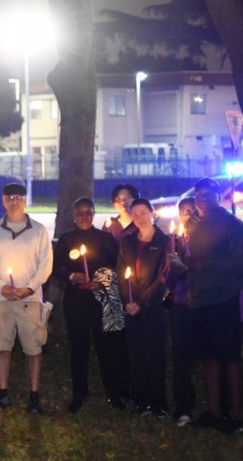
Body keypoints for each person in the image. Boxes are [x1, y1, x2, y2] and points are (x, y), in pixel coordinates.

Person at [0, 183, 52, 414]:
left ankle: (34, 396)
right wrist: (1, 286)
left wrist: (29, 288)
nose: (14, 201)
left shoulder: (39, 230)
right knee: (1, 346)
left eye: (18, 197)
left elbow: (45, 264)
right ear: (3, 200)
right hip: (1, 299)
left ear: (25, 200)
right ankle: (3, 393)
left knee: (33, 347)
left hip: (29, 299)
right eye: (9, 197)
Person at [52, 197, 126, 413]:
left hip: (102, 298)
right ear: (74, 216)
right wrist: (72, 275)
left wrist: (101, 281)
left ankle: (113, 392)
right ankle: (79, 392)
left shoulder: (105, 238)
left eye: (88, 212)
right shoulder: (66, 239)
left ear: (93, 215)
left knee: (107, 346)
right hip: (76, 299)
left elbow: (116, 265)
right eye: (80, 213)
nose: (84, 216)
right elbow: (56, 268)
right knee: (78, 346)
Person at [181, 178, 243, 431]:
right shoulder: (193, 225)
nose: (201, 198)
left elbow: (239, 264)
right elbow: (189, 260)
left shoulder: (232, 225)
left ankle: (237, 416)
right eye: (198, 194)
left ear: (219, 195)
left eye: (207, 193)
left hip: (223, 300)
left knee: (229, 358)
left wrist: (205, 264)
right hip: (198, 300)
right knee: (208, 358)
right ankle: (215, 413)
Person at [117, 197, 170, 417]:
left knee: (154, 354)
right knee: (136, 354)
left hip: (154, 307)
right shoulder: (127, 242)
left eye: (143, 213)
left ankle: (158, 401)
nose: (139, 218)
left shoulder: (165, 241)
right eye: (135, 214)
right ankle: (141, 400)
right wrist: (127, 301)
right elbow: (122, 274)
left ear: (152, 213)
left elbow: (163, 276)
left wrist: (141, 302)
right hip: (132, 307)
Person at [165, 197, 197, 426]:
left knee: (213, 356)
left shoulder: (209, 239)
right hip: (181, 303)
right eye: (184, 211)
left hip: (206, 303)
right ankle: (183, 407)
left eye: (193, 210)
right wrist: (174, 269)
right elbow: (167, 278)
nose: (189, 214)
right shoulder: (174, 243)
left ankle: (221, 406)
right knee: (181, 357)